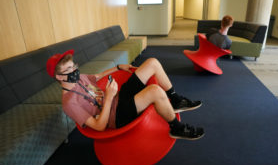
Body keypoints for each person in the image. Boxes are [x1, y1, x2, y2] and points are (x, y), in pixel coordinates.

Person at [46, 50, 205, 140]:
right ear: (59, 77)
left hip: (117, 98)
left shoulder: (79, 77)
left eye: (74, 66)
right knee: (155, 91)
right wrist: (108, 97)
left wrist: (117, 67)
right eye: (68, 70)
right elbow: (100, 127)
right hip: (115, 117)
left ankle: (176, 100)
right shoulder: (69, 103)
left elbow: (98, 76)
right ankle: (176, 128)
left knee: (152, 62)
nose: (74, 71)